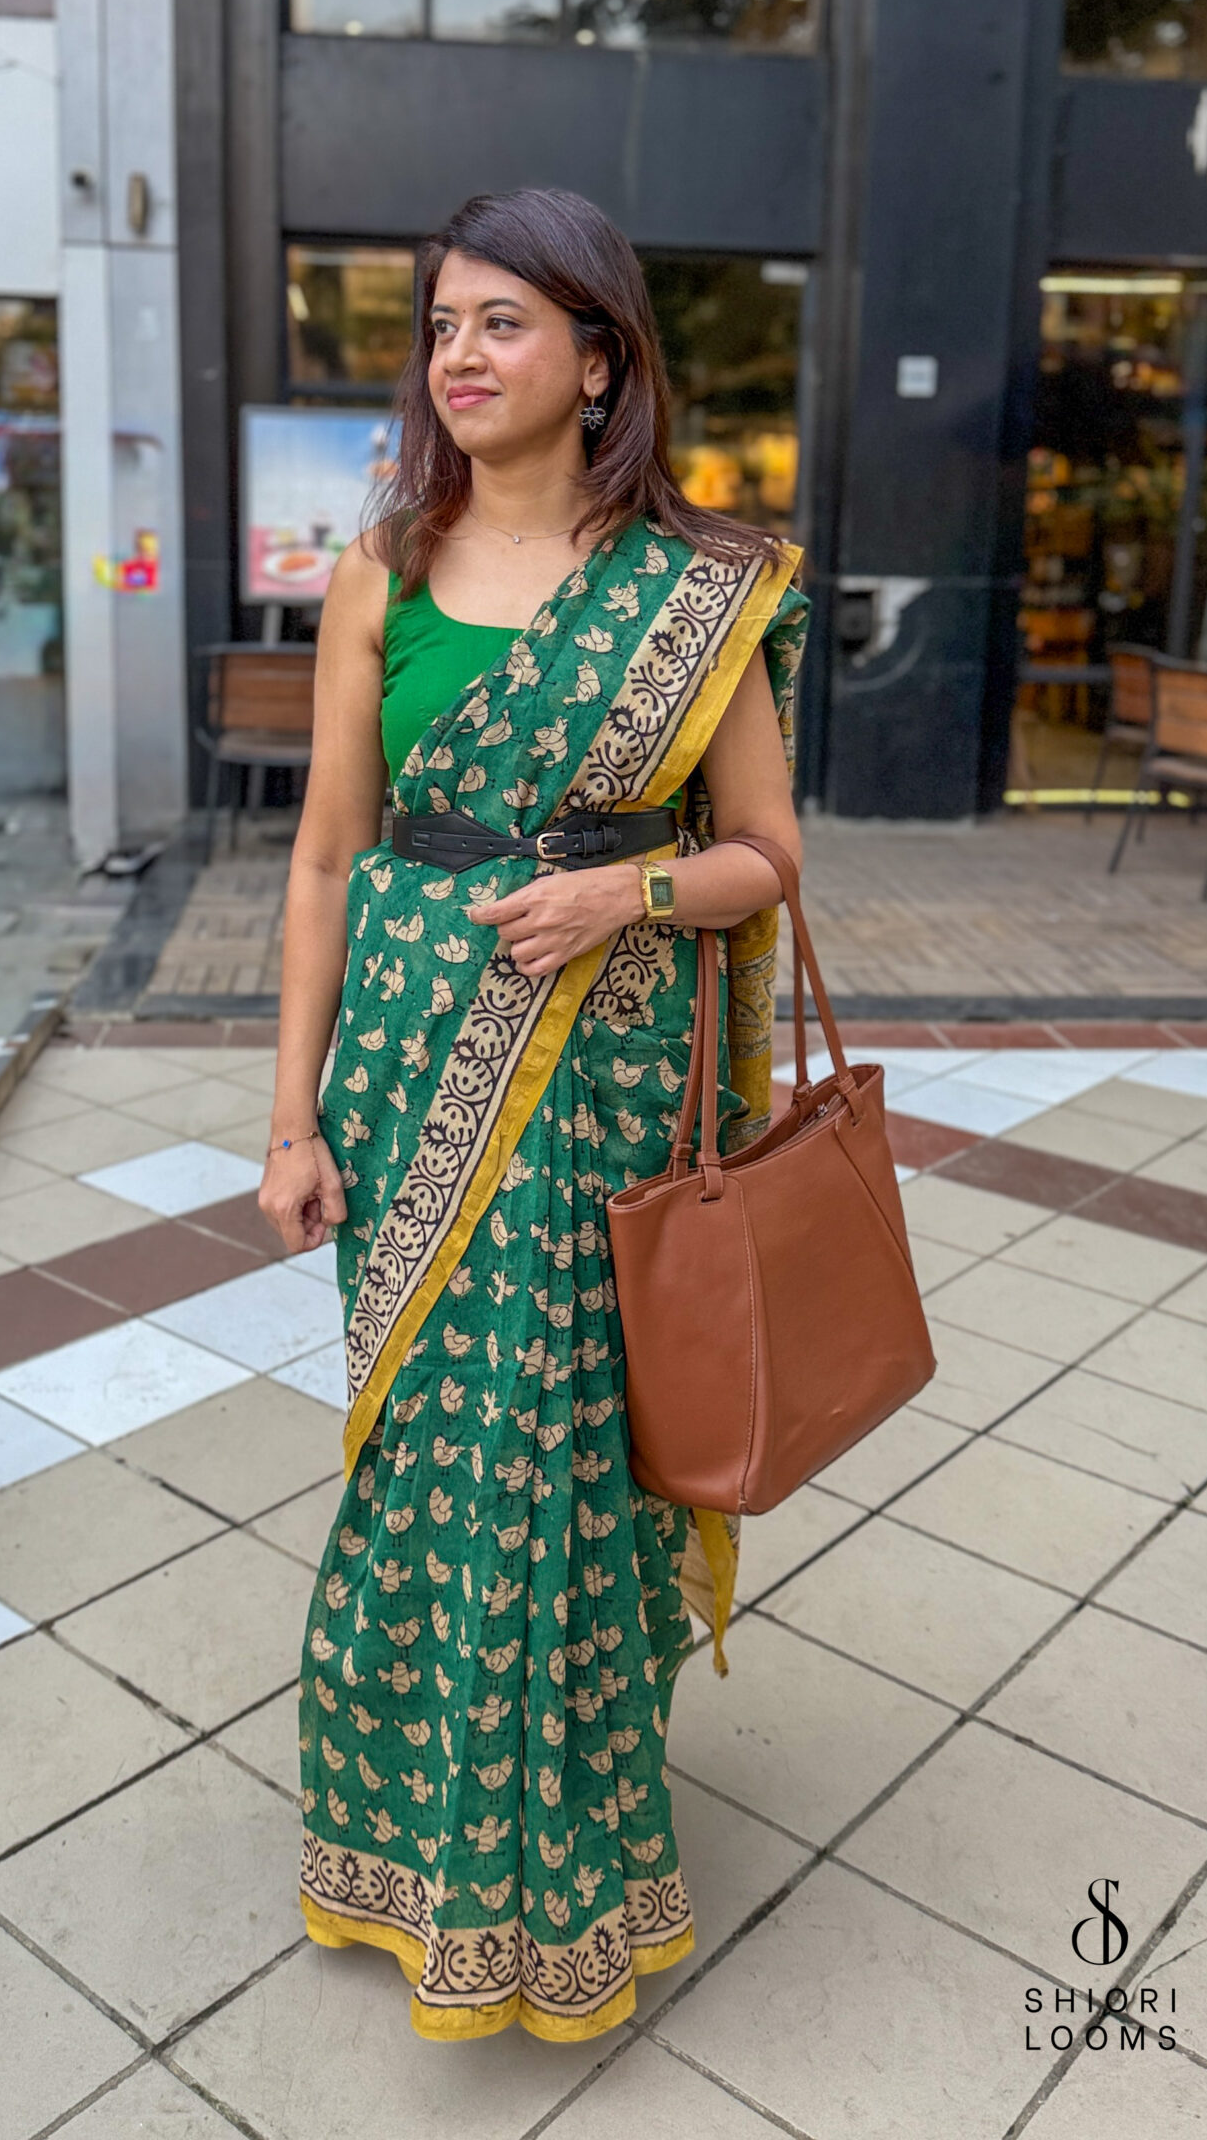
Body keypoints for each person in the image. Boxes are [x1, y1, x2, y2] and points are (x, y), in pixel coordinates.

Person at [260, 184, 808, 2044]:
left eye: (504, 321)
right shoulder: (382, 574)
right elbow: (327, 859)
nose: (461, 356)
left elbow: (764, 860)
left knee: (562, 1469)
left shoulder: (695, 592)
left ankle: (564, 1880)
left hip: (604, 1096)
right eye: (440, 324)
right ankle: (402, 1850)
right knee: (423, 1457)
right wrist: (289, 1122)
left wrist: (622, 897)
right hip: (411, 1075)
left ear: (600, 357)